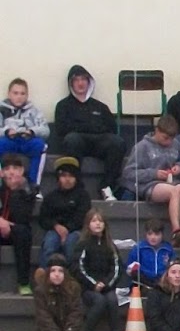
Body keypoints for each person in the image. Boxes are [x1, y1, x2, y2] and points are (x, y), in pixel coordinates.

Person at [123, 115, 180, 234]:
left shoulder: (177, 145)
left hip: (172, 182)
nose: (169, 142)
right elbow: (129, 172)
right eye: (165, 138)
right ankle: (176, 230)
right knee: (175, 191)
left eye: (172, 138)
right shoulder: (142, 147)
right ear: (157, 131)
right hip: (150, 185)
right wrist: (154, 173)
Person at [53, 65, 125, 202]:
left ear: (89, 82)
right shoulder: (63, 106)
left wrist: (82, 127)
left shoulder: (100, 107)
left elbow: (112, 129)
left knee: (117, 143)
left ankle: (107, 187)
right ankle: (76, 187)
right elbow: (62, 129)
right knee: (72, 139)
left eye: (83, 79)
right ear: (71, 83)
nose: (80, 83)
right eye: (76, 80)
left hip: (99, 144)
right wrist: (91, 127)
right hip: (77, 143)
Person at [72, 207, 126, 331]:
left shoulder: (110, 246)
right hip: (88, 287)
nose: (97, 224)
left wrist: (107, 284)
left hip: (107, 286)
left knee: (112, 300)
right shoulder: (83, 244)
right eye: (94, 221)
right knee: (99, 301)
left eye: (100, 221)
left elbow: (117, 268)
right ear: (88, 224)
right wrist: (93, 284)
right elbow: (78, 268)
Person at [39, 156, 91, 261]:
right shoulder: (50, 197)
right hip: (55, 230)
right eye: (64, 176)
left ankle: (72, 271)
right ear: (58, 178)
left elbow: (81, 217)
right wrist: (56, 226)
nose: (67, 179)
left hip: (76, 230)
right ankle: (45, 270)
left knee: (71, 243)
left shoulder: (83, 196)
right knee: (49, 243)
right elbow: (44, 218)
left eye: (71, 176)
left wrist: (67, 229)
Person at [1, 77, 49, 182]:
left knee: (40, 145)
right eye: (15, 93)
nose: (19, 97)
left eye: (22, 94)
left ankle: (33, 184)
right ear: (9, 94)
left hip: (27, 141)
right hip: (9, 141)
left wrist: (32, 131)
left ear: (27, 95)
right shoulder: (1, 110)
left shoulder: (34, 111)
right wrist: (7, 131)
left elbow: (46, 130)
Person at [0, 153, 36, 295]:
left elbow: (22, 217)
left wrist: (15, 191)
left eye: (15, 168)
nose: (11, 172)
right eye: (7, 168)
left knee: (23, 232)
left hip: (16, 229)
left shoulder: (29, 189)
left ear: (22, 171)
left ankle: (24, 282)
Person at [126, 218, 175, 285]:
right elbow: (130, 268)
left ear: (162, 235)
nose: (153, 237)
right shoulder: (139, 248)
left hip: (163, 282)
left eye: (157, 234)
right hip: (143, 282)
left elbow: (174, 264)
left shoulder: (168, 249)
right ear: (146, 234)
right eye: (150, 234)